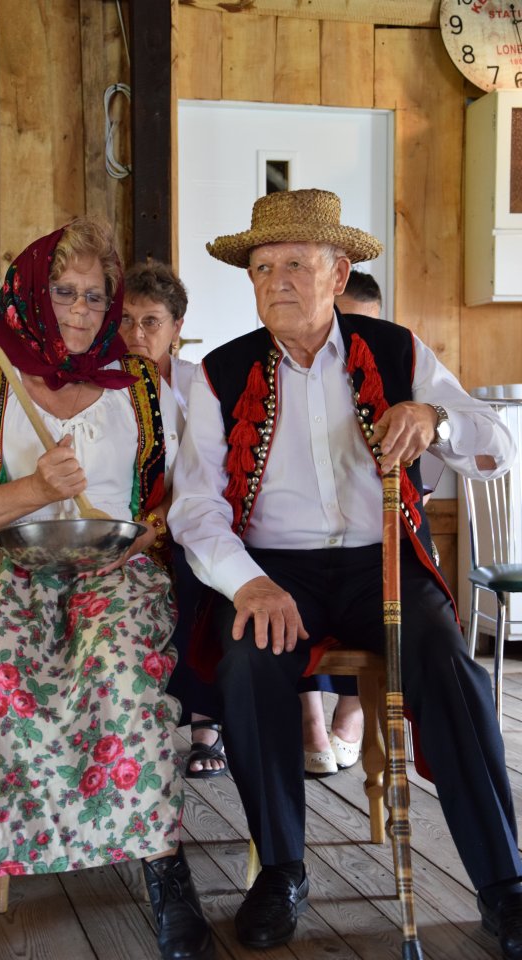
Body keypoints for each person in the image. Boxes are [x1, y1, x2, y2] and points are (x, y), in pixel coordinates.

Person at [168, 188, 522, 958]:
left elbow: (497, 446)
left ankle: (504, 883)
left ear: (338, 274)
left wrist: (436, 418)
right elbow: (195, 507)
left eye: (296, 264)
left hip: (381, 559)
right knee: (247, 662)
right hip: (272, 570)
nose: (277, 282)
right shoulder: (219, 374)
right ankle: (281, 871)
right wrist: (246, 583)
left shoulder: (397, 351)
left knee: (445, 660)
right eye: (263, 268)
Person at [0, 219, 213, 960]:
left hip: (118, 565)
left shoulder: (139, 387)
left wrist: (151, 531)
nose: (81, 310)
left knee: (123, 667)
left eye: (96, 295)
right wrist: (35, 488)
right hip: (6, 561)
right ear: (32, 293)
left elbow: (186, 492)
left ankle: (163, 866)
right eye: (64, 291)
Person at [121, 261, 226, 777]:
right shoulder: (102, 384)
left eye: (151, 321)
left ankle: (207, 724)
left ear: (177, 326)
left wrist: (160, 523)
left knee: (202, 577)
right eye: (125, 320)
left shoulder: (198, 381)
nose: (136, 334)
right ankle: (134, 725)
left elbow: (210, 468)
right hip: (125, 519)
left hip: (185, 516)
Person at [300, 269, 382, 775]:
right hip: (302, 537)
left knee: (399, 582)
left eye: (369, 326)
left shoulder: (388, 369)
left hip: (370, 535)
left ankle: (352, 709)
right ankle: (309, 713)